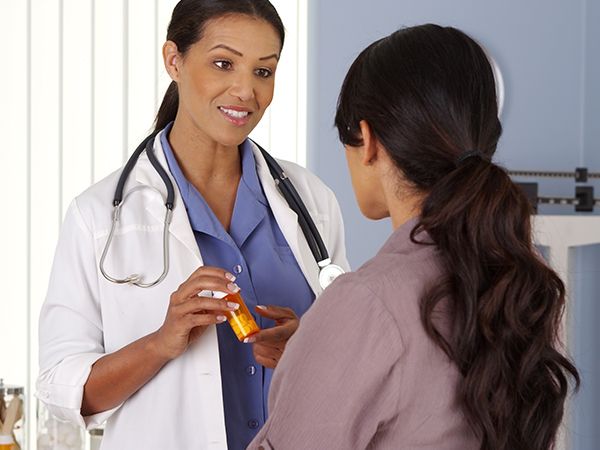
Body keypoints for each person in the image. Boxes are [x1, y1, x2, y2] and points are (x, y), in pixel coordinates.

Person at [248, 24, 579, 450]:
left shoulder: (365, 302)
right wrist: (322, 352)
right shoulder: (524, 283)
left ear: (367, 141)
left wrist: (330, 344)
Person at [36, 1, 349, 449]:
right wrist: (161, 343)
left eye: (264, 72)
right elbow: (62, 389)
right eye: (223, 64)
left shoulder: (312, 202)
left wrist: (307, 350)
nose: (245, 90)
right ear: (173, 60)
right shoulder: (98, 216)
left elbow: (353, 364)